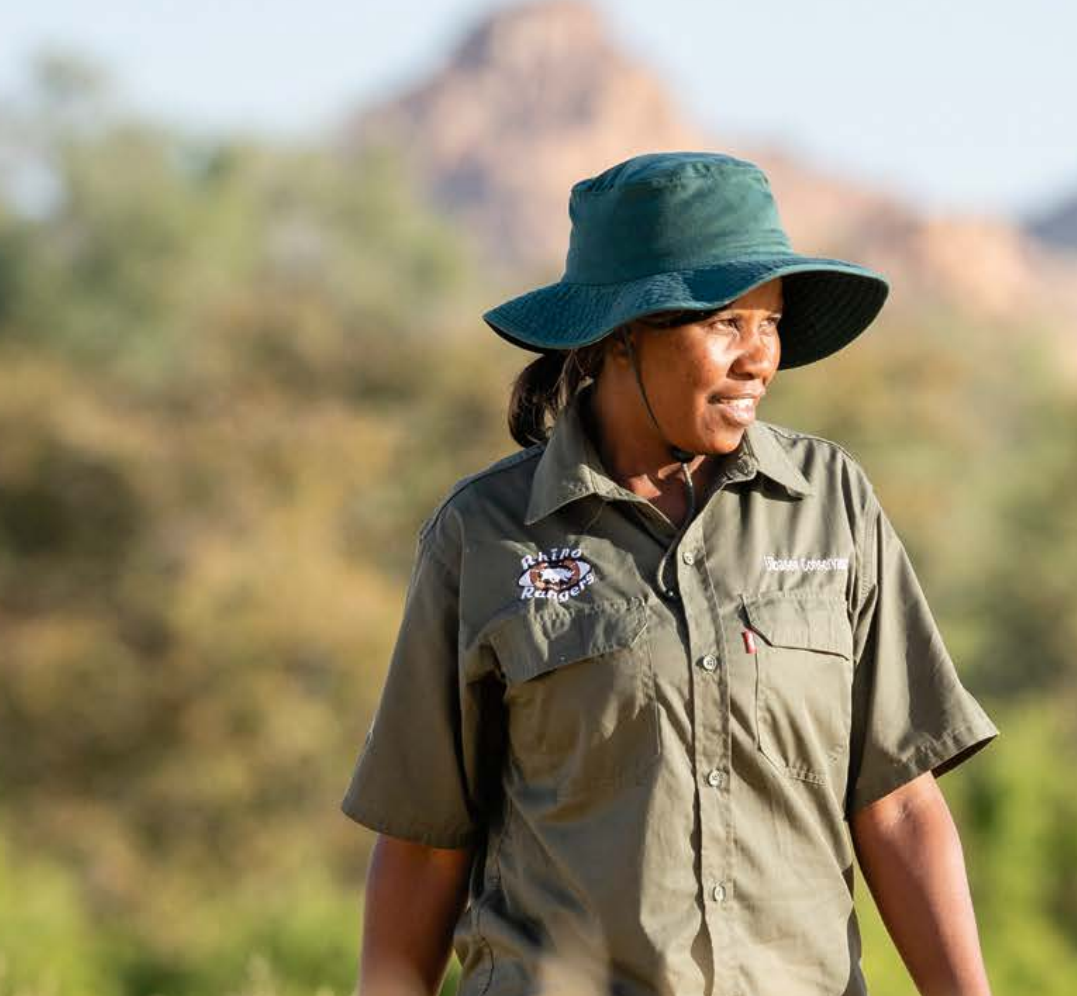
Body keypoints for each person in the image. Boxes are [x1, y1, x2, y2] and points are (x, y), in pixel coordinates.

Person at [341, 151, 1000, 996]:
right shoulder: (483, 536)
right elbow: (424, 840)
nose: (760, 358)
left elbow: (899, 804)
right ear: (621, 337)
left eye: (770, 322)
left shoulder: (832, 503)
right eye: (726, 323)